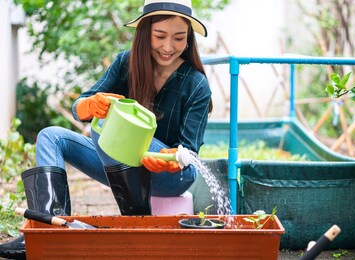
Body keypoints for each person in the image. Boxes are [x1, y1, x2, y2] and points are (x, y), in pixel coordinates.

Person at [0, 0, 212, 258]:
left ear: (189, 39)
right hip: (120, 160)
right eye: (160, 36)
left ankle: (135, 219)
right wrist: (91, 104)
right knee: (50, 137)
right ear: (145, 33)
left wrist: (171, 159)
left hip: (169, 175)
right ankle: (49, 228)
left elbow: (189, 152)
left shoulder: (196, 84)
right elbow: (80, 109)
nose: (168, 47)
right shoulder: (126, 62)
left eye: (179, 38)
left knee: (112, 123)